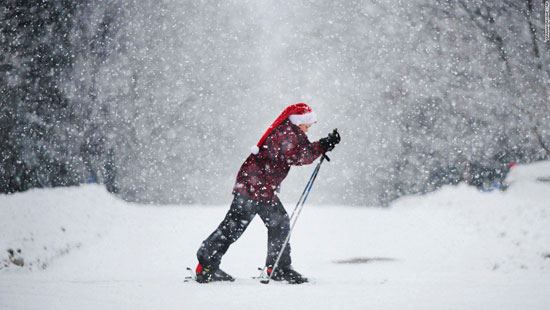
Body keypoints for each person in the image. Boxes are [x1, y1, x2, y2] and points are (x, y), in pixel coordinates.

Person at [195, 103, 340, 284]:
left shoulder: (291, 132)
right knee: (238, 225)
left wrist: (323, 144)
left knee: (270, 222)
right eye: (307, 125)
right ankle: (211, 264)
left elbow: (302, 150)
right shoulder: (286, 133)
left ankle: (274, 266)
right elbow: (296, 155)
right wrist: (321, 146)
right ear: (298, 122)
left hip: (259, 185)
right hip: (255, 186)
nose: (308, 129)